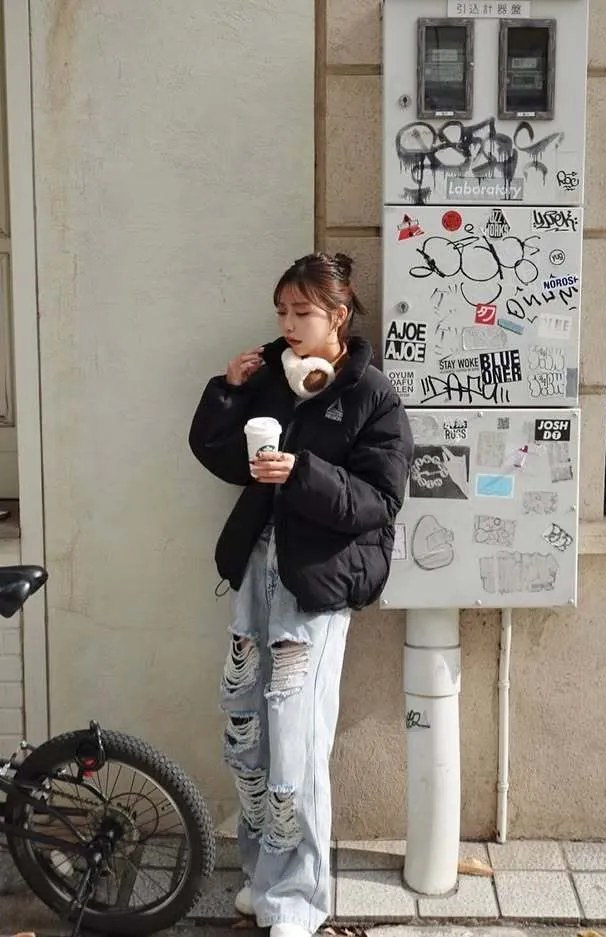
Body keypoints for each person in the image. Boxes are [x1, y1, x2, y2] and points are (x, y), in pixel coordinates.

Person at [189, 252, 414, 937]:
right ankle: (264, 878)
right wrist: (228, 392)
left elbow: (380, 499)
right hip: (258, 569)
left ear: (338, 315)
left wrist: (301, 472)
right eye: (281, 310)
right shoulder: (270, 378)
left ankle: (298, 899)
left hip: (314, 586)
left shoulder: (372, 395)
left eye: (302, 312)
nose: (287, 323)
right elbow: (220, 456)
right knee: (249, 729)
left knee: (297, 738)